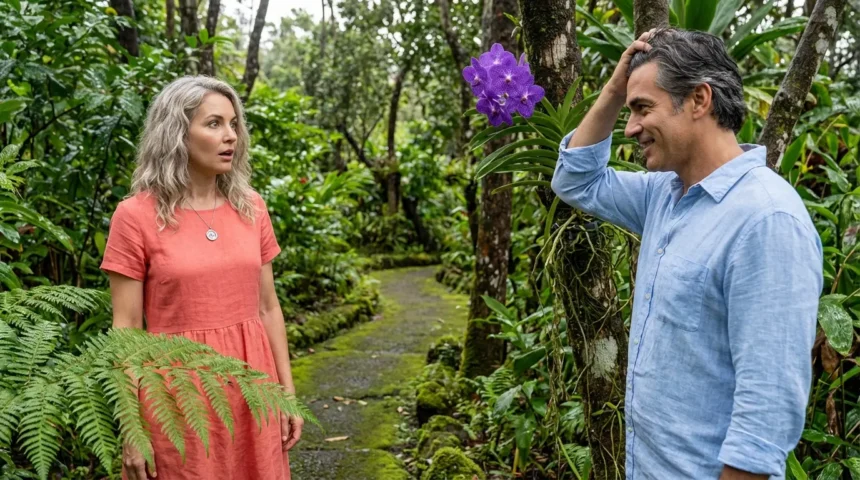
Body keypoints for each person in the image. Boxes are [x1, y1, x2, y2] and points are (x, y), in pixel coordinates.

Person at [551, 29, 823, 479]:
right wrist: (617, 90)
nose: (631, 126)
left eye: (643, 108)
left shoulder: (766, 219)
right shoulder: (664, 195)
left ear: (699, 100)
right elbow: (576, 181)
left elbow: (767, 410)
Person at [100, 76, 300, 480]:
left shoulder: (252, 208)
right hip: (178, 399)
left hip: (253, 390)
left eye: (233, 124)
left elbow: (268, 307)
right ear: (176, 132)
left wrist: (286, 394)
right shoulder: (135, 216)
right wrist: (131, 427)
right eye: (213, 124)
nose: (231, 136)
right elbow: (125, 330)